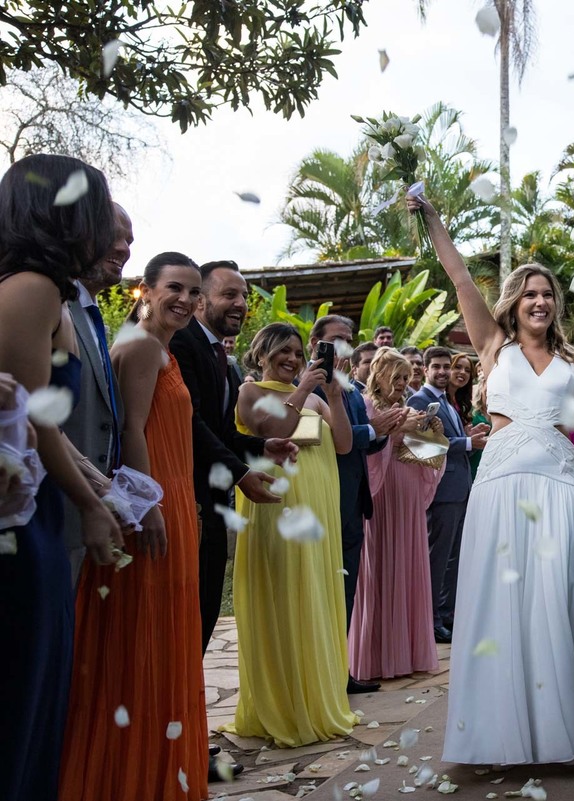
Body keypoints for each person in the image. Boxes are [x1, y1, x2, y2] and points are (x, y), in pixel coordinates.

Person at [409, 192, 574, 767]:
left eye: (548, 295)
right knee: (503, 606)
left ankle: (562, 728)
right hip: (500, 490)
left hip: (561, 491)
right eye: (530, 294)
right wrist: (434, 221)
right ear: (514, 303)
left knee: (557, 605)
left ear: (555, 305)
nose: (539, 301)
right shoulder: (494, 348)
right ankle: (497, 734)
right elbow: (460, 275)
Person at [60, 253, 210, 800]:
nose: (187, 301)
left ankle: (154, 769)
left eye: (194, 293)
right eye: (175, 288)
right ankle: (139, 776)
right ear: (143, 290)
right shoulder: (143, 347)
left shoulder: (157, 348)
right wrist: (149, 505)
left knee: (163, 635)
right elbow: (132, 432)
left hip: (167, 496)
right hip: (152, 501)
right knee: (145, 638)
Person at [0, 153, 125, 801]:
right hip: (27, 529)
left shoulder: (50, 291)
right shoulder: (30, 289)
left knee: (45, 687)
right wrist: (91, 503)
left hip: (50, 512)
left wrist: (93, 479)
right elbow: (27, 420)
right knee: (22, 694)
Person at [223, 323, 359, 746]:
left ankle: (318, 698)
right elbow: (270, 429)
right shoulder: (248, 392)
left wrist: (332, 394)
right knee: (283, 593)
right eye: (284, 350)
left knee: (315, 594)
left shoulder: (317, 397)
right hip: (277, 503)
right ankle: (281, 704)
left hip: (318, 503)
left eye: (299, 353)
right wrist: (301, 389)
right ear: (261, 352)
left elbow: (343, 446)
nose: (293, 359)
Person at [170, 259, 290, 653]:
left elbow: (221, 429)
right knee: (188, 617)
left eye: (244, 295)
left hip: (211, 498)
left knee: (203, 612)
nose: (240, 303)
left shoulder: (219, 356)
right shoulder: (183, 342)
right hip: (188, 498)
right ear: (200, 300)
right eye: (229, 294)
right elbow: (191, 424)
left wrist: (260, 448)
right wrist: (241, 472)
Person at [308, 315, 402, 694]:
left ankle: (340, 671)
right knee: (323, 589)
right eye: (335, 341)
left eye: (348, 340)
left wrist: (385, 430)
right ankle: (319, 673)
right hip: (324, 497)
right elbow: (334, 438)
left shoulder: (349, 389)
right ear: (315, 342)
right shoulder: (309, 388)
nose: (344, 348)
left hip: (354, 500)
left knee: (346, 589)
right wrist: (374, 429)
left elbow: (366, 441)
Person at [349, 349, 444, 680]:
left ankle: (409, 653)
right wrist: (395, 430)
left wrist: (430, 433)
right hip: (382, 491)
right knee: (381, 566)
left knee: (408, 563)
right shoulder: (366, 405)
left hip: (407, 491)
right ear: (381, 375)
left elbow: (423, 455)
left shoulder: (408, 407)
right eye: (398, 377)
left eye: (406, 378)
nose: (403, 383)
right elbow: (368, 450)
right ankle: (376, 656)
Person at [61, 202, 132, 585]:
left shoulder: (90, 313)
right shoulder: (52, 300)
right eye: (114, 234)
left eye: (130, 240)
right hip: (55, 500)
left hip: (86, 510)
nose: (124, 248)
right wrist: (96, 487)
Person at [408, 346, 488, 644]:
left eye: (446, 367)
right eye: (437, 367)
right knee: (438, 557)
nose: (443, 372)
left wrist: (468, 432)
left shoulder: (447, 401)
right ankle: (431, 621)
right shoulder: (420, 399)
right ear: (426, 369)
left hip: (459, 486)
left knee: (454, 557)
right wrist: (467, 443)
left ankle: (447, 614)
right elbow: (422, 445)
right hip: (442, 489)